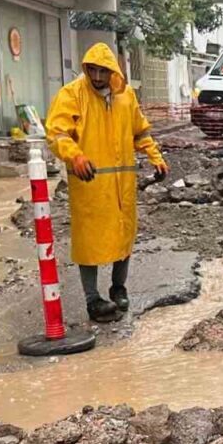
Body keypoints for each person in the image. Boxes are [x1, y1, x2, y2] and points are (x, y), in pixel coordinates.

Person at [46, 43, 168, 323]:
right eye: (93, 70)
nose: (98, 76)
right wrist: (75, 156)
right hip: (90, 183)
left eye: (103, 71)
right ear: (86, 68)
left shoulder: (125, 97)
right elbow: (57, 133)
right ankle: (92, 299)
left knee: (123, 236)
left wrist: (155, 157)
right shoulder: (72, 95)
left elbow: (140, 132)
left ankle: (118, 287)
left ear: (113, 71)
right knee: (89, 241)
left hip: (122, 183)